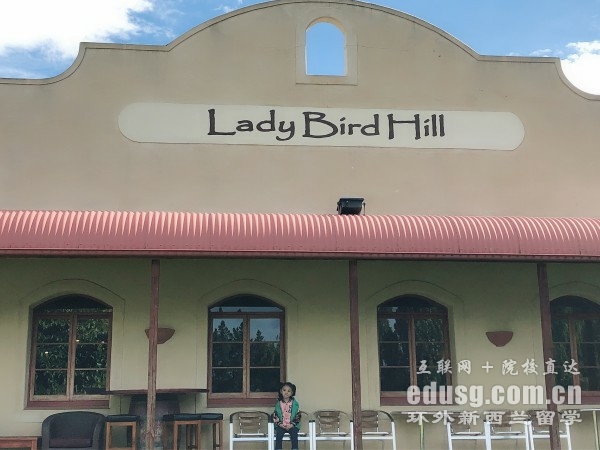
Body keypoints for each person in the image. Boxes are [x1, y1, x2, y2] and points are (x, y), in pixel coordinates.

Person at [272, 381, 301, 450]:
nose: (286, 392)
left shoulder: (295, 404)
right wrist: (280, 424)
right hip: (281, 425)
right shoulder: (278, 404)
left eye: (289, 391)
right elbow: (275, 415)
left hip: (292, 426)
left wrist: (292, 425)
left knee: (294, 435)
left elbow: (298, 415)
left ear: (292, 393)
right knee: (279, 435)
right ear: (281, 391)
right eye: (284, 390)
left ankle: (295, 448)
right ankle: (278, 448)